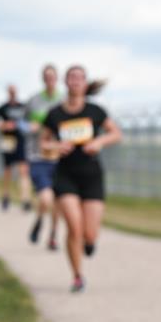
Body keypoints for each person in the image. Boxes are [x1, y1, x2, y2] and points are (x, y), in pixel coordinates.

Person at [41, 65, 122, 292]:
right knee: (74, 228)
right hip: (66, 175)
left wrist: (98, 142)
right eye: (71, 77)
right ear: (65, 83)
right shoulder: (55, 114)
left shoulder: (95, 111)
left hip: (92, 176)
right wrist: (56, 145)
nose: (75, 81)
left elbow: (116, 133)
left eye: (80, 78)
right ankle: (77, 276)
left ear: (85, 84)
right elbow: (43, 144)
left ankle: (89, 242)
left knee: (89, 233)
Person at [25, 64, 63, 250]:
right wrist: (30, 126)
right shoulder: (33, 101)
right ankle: (40, 219)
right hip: (38, 155)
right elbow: (22, 123)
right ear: (42, 79)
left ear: (57, 78)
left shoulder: (64, 100)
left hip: (59, 157)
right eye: (46, 76)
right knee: (46, 199)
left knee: (58, 200)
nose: (49, 79)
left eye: (52, 76)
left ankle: (53, 235)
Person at [0, 84, 30, 211]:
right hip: (7, 140)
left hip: (20, 139)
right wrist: (3, 125)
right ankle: (5, 196)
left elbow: (30, 122)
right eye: (10, 91)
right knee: (7, 170)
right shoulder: (2, 108)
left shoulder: (23, 107)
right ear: (8, 92)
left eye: (14, 90)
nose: (12, 93)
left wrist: (22, 126)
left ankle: (25, 199)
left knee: (23, 169)